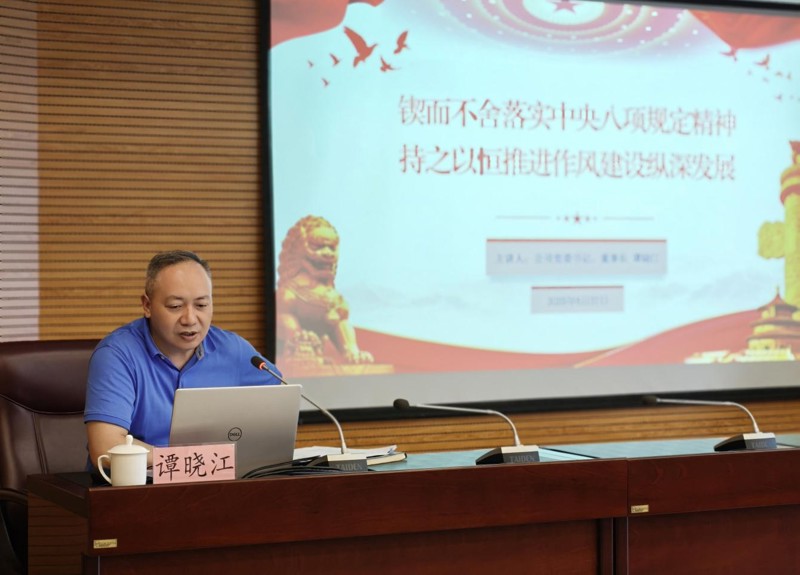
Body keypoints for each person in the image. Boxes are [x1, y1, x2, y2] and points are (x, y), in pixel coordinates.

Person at [84, 250, 281, 468]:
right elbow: (106, 448)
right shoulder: (117, 354)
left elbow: (280, 406)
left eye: (201, 305)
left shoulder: (233, 350)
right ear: (147, 306)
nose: (190, 319)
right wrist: (196, 461)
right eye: (175, 306)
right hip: (136, 484)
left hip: (217, 481)